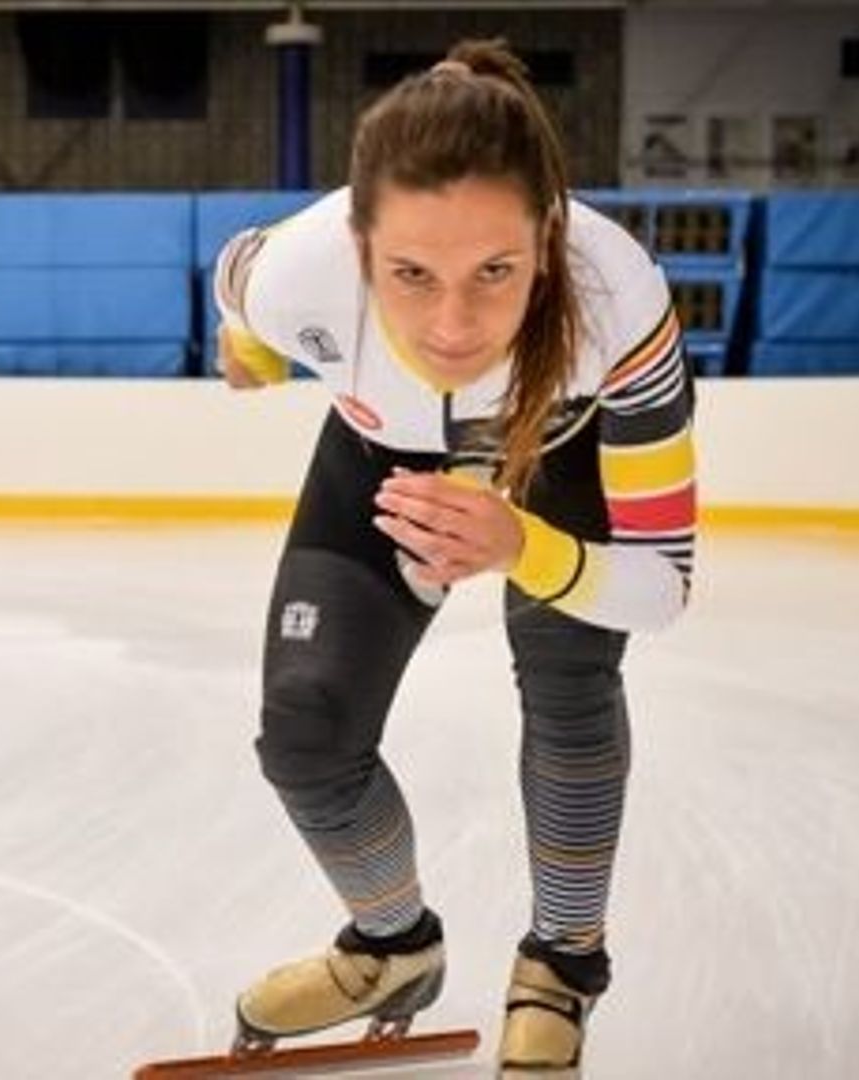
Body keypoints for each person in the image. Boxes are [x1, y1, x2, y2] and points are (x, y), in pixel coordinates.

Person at [210, 39, 696, 1075]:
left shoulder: (620, 301)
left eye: (497, 271)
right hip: (379, 458)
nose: (452, 324)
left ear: (550, 237)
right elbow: (233, 277)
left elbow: (661, 590)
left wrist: (526, 544)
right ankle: (394, 947)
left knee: (570, 684)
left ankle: (562, 964)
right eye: (410, 274)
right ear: (357, 241)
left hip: (557, 463)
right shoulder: (294, 271)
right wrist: (251, 345)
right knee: (303, 737)